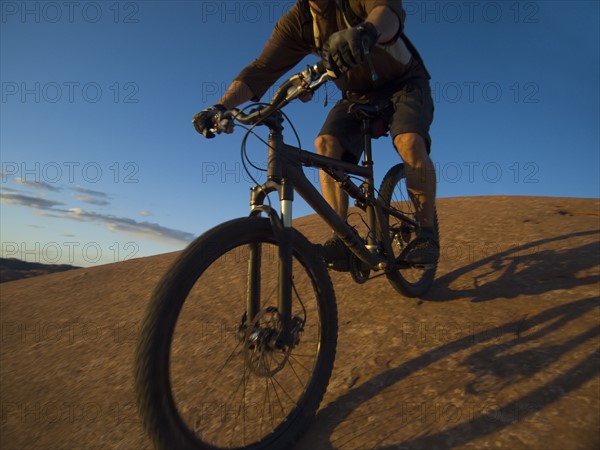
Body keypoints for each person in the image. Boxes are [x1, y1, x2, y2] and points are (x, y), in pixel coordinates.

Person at [193, 0, 439, 268]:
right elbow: (262, 69)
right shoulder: (299, 22)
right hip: (358, 95)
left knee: (409, 141)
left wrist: (366, 31)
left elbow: (388, 13)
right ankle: (343, 237)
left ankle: (426, 233)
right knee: (325, 143)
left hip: (405, 83)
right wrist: (220, 106)